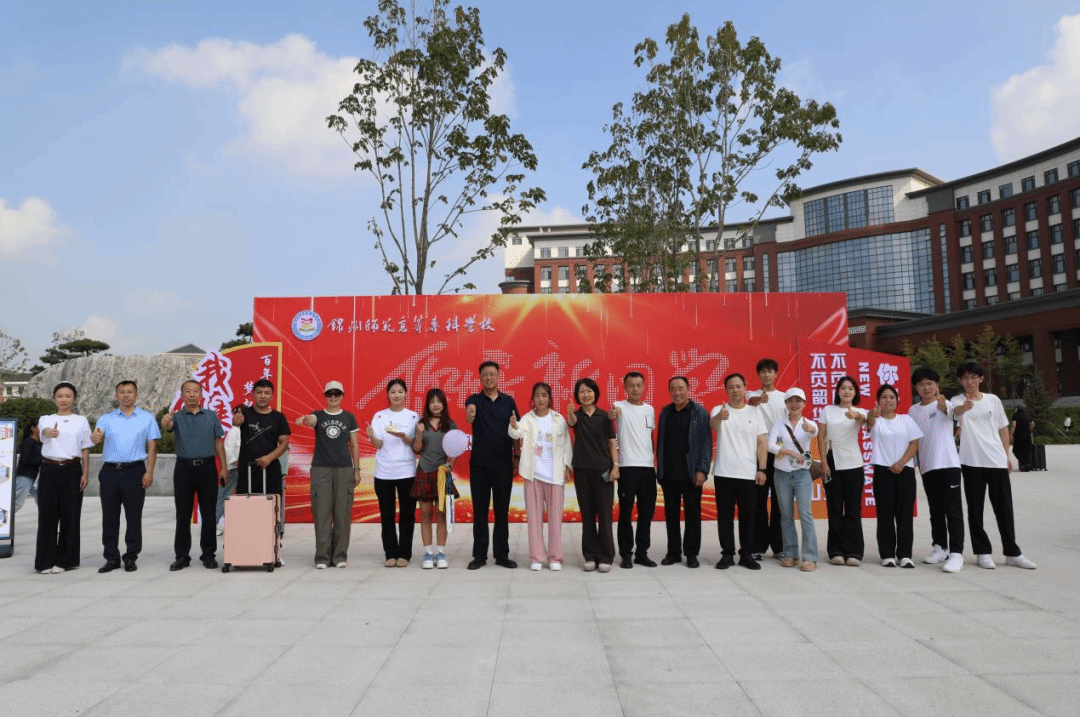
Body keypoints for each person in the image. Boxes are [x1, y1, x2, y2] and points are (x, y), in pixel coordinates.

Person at [951, 362, 1036, 570]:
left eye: (973, 377)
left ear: (981, 379)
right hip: (971, 461)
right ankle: (982, 552)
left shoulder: (993, 400)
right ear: (960, 381)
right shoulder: (957, 401)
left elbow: (1003, 428)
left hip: (996, 460)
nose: (969, 382)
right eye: (965, 378)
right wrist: (963, 409)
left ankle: (1012, 552)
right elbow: (955, 412)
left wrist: (1006, 455)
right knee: (975, 509)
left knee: (1004, 508)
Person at [92, 380, 160, 573]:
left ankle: (131, 557)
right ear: (116, 395)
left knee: (133, 517)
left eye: (130, 392)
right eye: (122, 392)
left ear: (136, 395)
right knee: (109, 517)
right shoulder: (106, 418)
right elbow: (96, 436)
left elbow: (152, 445)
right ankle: (111, 557)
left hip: (135, 471)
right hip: (110, 472)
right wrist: (94, 438)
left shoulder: (147, 418)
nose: (126, 395)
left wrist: (149, 471)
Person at [161, 380, 228, 570]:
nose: (192, 395)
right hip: (184, 469)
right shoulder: (176, 417)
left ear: (201, 394)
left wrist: (223, 467)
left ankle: (208, 555)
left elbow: (218, 442)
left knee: (209, 513)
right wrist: (166, 423)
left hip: (207, 467)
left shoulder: (211, 416)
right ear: (182, 395)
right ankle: (182, 556)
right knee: (183, 514)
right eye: (188, 391)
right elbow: (167, 426)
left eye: (195, 391)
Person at [297, 380, 360, 569]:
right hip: (321, 469)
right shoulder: (319, 415)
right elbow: (311, 420)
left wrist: (357, 470)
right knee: (322, 513)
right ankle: (322, 557)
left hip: (344, 469)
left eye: (337, 394)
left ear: (342, 396)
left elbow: (354, 445)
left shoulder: (349, 418)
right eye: (330, 394)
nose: (333, 397)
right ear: (325, 396)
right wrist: (305, 419)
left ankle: (339, 556)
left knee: (342, 513)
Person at [509, 382, 571, 571]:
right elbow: (516, 432)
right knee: (534, 519)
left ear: (549, 398)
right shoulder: (528, 419)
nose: (541, 399)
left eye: (544, 395)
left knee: (555, 520)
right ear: (533, 399)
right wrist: (513, 425)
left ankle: (554, 558)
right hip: (533, 475)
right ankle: (537, 557)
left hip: (555, 476)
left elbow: (567, 443)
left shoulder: (558, 419)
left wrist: (567, 465)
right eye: (537, 395)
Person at [464, 361, 520, 570]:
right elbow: (469, 412)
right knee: (479, 511)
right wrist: (470, 413)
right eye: (485, 374)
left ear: (498, 377)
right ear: (480, 378)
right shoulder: (474, 400)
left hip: (503, 465)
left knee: (501, 511)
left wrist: (517, 457)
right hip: (479, 465)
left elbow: (516, 430)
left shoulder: (508, 401)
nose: (489, 377)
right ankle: (479, 555)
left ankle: (502, 555)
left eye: (492, 374)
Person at [909, 368, 965, 573]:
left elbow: (955, 413)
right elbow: (913, 439)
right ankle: (940, 547)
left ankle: (957, 553)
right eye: (921, 384)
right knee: (936, 509)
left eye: (930, 383)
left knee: (953, 510)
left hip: (948, 464)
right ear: (916, 387)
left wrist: (944, 406)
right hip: (927, 466)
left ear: (937, 385)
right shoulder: (913, 411)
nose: (926, 387)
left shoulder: (945, 404)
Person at [711, 373, 769, 570]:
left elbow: (762, 442)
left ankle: (747, 554)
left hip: (748, 473)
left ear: (745, 388)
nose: (735, 390)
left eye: (738, 386)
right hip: (724, 473)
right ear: (726, 390)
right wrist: (720, 417)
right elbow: (713, 425)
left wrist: (762, 469)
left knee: (748, 516)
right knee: (725, 516)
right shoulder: (719, 410)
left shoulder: (755, 412)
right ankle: (727, 554)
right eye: (731, 387)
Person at [35, 382, 92, 574]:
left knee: (71, 516)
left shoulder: (81, 421)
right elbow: (43, 432)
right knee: (47, 516)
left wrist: (85, 473)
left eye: (68, 396)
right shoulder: (46, 419)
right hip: (49, 469)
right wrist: (48, 432)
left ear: (74, 398)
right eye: (60, 396)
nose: (64, 399)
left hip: (72, 470)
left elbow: (85, 448)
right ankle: (45, 562)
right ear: (54, 398)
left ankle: (66, 560)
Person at [655, 376, 712, 568]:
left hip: (691, 473)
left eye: (680, 388)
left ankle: (691, 553)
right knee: (671, 515)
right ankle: (673, 552)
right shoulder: (665, 413)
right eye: (673, 389)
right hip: (669, 473)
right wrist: (660, 470)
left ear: (688, 389)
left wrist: (702, 470)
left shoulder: (699, 413)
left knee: (692, 515)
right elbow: (660, 442)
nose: (677, 392)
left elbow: (706, 443)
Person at [233, 378, 291, 567]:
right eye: (259, 392)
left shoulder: (278, 418)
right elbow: (236, 420)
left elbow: (284, 442)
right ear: (253, 394)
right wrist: (237, 420)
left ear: (272, 395)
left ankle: (274, 550)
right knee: (246, 510)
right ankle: (246, 551)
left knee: (272, 512)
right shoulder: (245, 413)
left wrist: (269, 458)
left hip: (271, 469)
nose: (263, 396)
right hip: (247, 469)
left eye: (267, 393)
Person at [867, 384, 922, 568]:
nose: (888, 400)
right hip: (883, 471)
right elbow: (868, 423)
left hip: (904, 470)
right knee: (885, 514)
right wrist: (871, 416)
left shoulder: (906, 420)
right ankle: (887, 554)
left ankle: (905, 555)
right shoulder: (875, 420)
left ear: (897, 400)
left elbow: (915, 443)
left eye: (891, 397)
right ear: (878, 401)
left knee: (905, 514)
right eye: (884, 397)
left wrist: (902, 462)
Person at [567, 377, 619, 573]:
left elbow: (612, 443)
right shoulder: (576, 416)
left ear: (595, 393)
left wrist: (615, 466)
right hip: (582, 472)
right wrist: (570, 413)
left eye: (589, 391)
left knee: (605, 515)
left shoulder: (605, 416)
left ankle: (606, 556)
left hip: (603, 471)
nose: (586, 395)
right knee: (587, 515)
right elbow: (571, 422)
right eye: (582, 392)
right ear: (577, 395)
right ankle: (590, 555)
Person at [817, 376, 868, 567]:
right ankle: (835, 550)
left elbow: (866, 420)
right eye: (843, 388)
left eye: (850, 388)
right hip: (832, 462)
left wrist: (857, 416)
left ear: (855, 393)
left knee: (853, 509)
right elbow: (821, 437)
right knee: (835, 508)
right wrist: (824, 463)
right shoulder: (828, 411)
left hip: (853, 463)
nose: (846, 391)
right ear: (837, 391)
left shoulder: (860, 411)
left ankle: (854, 551)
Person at [766, 388, 819, 572]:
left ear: (804, 403)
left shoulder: (808, 423)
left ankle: (810, 557)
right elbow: (771, 445)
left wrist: (810, 429)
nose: (794, 404)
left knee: (805, 514)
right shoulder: (779, 424)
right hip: (781, 473)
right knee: (786, 515)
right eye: (790, 401)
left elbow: (814, 432)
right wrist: (789, 452)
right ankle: (790, 553)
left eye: (798, 401)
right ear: (786, 404)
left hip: (802, 474)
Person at [609, 371, 658, 569]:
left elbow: (650, 437)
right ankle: (626, 554)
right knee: (626, 513)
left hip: (648, 468)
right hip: (627, 467)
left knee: (646, 513)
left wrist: (653, 460)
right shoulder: (619, 406)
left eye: (639, 385)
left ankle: (642, 553)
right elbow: (612, 415)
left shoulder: (650, 409)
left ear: (644, 387)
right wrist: (612, 414)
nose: (635, 389)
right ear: (625, 388)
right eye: (631, 385)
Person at [368, 378, 418, 568]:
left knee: (407, 514)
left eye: (400, 391)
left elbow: (416, 445)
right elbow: (378, 444)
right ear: (388, 395)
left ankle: (404, 553)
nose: (397, 395)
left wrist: (403, 436)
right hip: (384, 472)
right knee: (386, 514)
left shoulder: (413, 417)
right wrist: (371, 436)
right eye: (393, 392)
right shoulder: (380, 416)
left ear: (405, 394)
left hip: (407, 471)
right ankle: (390, 553)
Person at [412, 387, 459, 570]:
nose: (435, 405)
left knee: (441, 515)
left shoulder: (450, 425)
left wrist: (450, 465)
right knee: (425, 515)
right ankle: (428, 553)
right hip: (424, 471)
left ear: (444, 404)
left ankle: (440, 553)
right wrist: (419, 434)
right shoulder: (421, 424)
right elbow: (417, 449)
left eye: (439, 401)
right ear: (427, 404)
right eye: (432, 401)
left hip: (442, 474)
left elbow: (455, 449)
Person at [747, 358, 785, 560]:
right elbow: (750, 402)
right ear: (758, 375)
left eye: (770, 371)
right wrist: (758, 400)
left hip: (778, 453)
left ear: (776, 374)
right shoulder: (751, 395)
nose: (767, 375)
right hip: (758, 454)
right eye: (763, 371)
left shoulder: (785, 397)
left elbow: (785, 425)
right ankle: (758, 546)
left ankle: (779, 546)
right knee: (758, 501)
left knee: (780, 501)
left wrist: (778, 448)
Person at [215, 423, 240, 535]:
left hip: (244, 470)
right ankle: (212, 523)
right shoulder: (233, 432)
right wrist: (236, 463)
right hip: (233, 469)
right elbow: (228, 450)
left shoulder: (246, 432)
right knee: (223, 496)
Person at [14, 423, 42, 513]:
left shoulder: (38, 443)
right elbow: (26, 459)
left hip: (34, 478)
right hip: (25, 477)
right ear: (33, 428)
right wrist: (42, 460)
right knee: (17, 504)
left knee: (42, 501)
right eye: (39, 425)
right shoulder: (28, 442)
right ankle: (3, 519)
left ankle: (47, 521)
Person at [1010, 406, 1034, 472]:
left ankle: (1023, 464)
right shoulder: (1027, 415)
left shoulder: (1016, 415)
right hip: (1028, 435)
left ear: (1017, 409)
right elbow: (1032, 424)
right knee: (1026, 450)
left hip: (1018, 435)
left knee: (1016, 450)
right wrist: (1029, 429)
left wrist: (1011, 434)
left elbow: (1014, 425)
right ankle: (1027, 464)